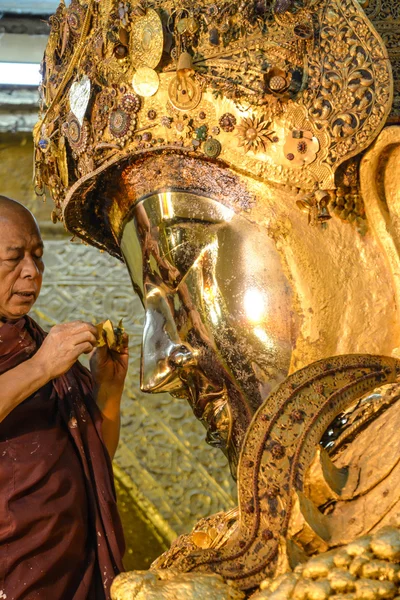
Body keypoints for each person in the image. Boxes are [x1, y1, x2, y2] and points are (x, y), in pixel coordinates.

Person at [0, 195, 127, 599]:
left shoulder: (33, 341)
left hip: (73, 567)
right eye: (13, 258)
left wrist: (108, 389)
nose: (32, 272)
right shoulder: (41, 357)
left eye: (38, 257)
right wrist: (41, 366)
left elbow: (97, 456)